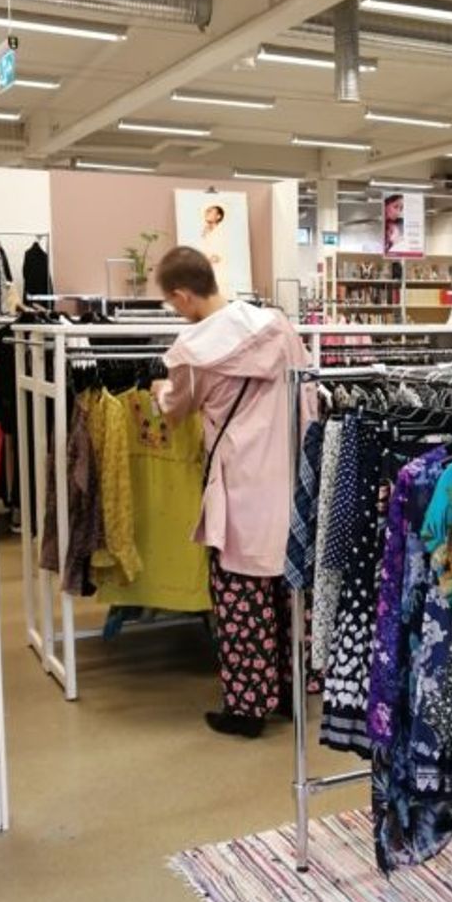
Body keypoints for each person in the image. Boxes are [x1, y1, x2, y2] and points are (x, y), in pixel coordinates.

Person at [151, 246, 315, 738]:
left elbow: (175, 408)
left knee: (242, 600)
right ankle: (289, 691)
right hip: (287, 479)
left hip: (240, 484)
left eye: (171, 302)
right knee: (287, 593)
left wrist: (161, 391)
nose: (175, 310)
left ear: (183, 295)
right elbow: (306, 391)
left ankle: (246, 708)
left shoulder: (191, 351)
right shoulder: (279, 328)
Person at [198, 202, 232, 295]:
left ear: (218, 216)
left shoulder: (221, 233)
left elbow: (218, 256)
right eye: (207, 211)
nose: (207, 213)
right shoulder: (205, 232)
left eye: (210, 211)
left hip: (218, 271)